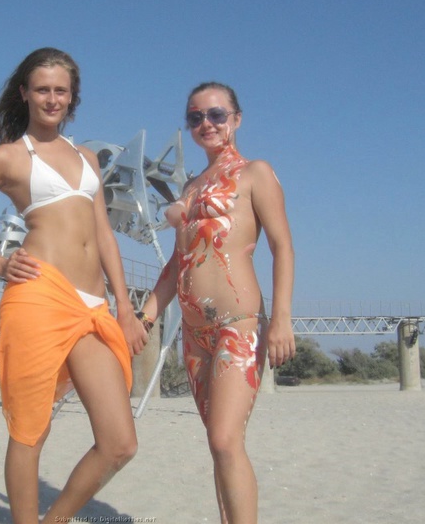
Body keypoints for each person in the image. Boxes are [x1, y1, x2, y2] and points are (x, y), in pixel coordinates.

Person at [0, 47, 148, 523]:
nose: (52, 99)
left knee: (119, 443)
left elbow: (104, 235)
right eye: (42, 89)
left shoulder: (86, 157)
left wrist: (125, 306)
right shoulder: (9, 157)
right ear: (25, 94)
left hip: (93, 306)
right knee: (31, 430)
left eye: (61, 91)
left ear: (72, 97)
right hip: (40, 294)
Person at [138, 82, 296, 524]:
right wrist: (145, 316)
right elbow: (178, 262)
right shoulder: (190, 186)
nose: (205, 124)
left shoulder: (255, 173)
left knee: (226, 440)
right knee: (218, 443)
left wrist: (282, 318)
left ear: (236, 119)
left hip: (237, 322)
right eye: (195, 117)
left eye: (216, 115)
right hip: (195, 333)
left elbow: (282, 246)